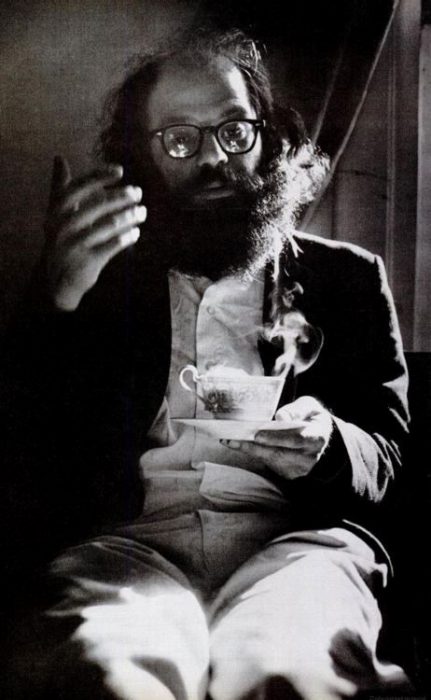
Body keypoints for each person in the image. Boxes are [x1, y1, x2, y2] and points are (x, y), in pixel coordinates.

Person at [0, 27, 414, 700]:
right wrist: (58, 300)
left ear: (267, 139)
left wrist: (329, 444)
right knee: (109, 680)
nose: (215, 158)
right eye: (180, 140)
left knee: (282, 674)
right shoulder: (93, 276)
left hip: (299, 550)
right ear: (143, 157)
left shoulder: (348, 279)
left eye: (233, 131)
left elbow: (390, 461)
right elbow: (24, 453)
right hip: (128, 551)